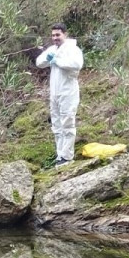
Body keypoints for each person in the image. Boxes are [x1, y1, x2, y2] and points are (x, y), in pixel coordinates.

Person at [35, 23, 84, 167]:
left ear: (65, 34)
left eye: (58, 35)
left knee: (67, 123)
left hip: (68, 91)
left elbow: (77, 64)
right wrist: (48, 58)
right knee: (56, 125)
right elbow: (39, 62)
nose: (55, 38)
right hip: (55, 92)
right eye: (53, 35)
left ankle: (67, 156)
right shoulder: (52, 49)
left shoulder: (73, 49)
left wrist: (58, 61)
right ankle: (60, 155)